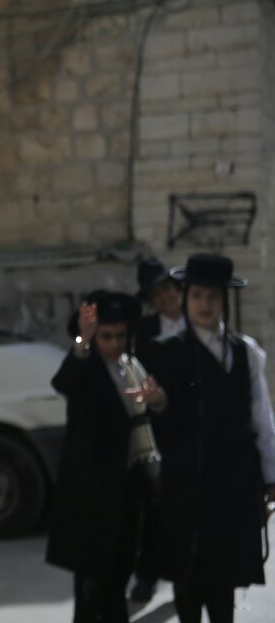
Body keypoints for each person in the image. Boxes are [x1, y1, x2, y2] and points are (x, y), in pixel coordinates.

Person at [141, 253, 275, 623]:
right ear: (186, 297)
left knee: (226, 569)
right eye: (196, 295)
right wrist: (158, 402)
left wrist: (270, 475)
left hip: (235, 478)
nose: (203, 304)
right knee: (190, 569)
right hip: (188, 478)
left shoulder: (247, 352)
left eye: (211, 296)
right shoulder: (167, 353)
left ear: (224, 301)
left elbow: (261, 416)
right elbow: (158, 416)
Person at [47, 291, 166, 623]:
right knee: (92, 568)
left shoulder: (131, 365)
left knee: (121, 564)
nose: (114, 344)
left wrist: (158, 399)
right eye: (106, 337)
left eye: (119, 336)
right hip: (93, 486)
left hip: (129, 480)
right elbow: (63, 381)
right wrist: (83, 339)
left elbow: (151, 411)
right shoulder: (86, 367)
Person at [129, 258, 184, 602]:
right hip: (159, 426)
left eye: (167, 289)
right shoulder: (146, 332)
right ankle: (147, 575)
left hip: (193, 427)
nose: (164, 297)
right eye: (157, 293)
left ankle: (183, 576)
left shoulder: (196, 323)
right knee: (155, 506)